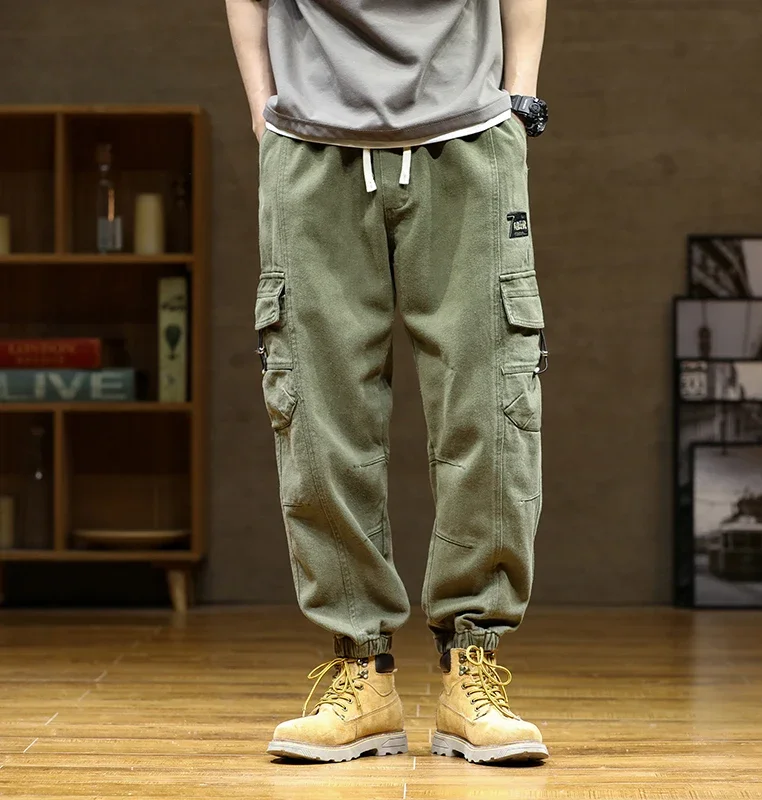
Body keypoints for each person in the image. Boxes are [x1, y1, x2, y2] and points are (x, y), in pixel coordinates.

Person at [225, 0, 550, 765]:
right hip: (311, 145)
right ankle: (361, 673)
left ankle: (471, 668)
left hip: (468, 135)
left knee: (490, 403)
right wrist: (261, 111)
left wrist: (518, 99)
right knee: (319, 411)